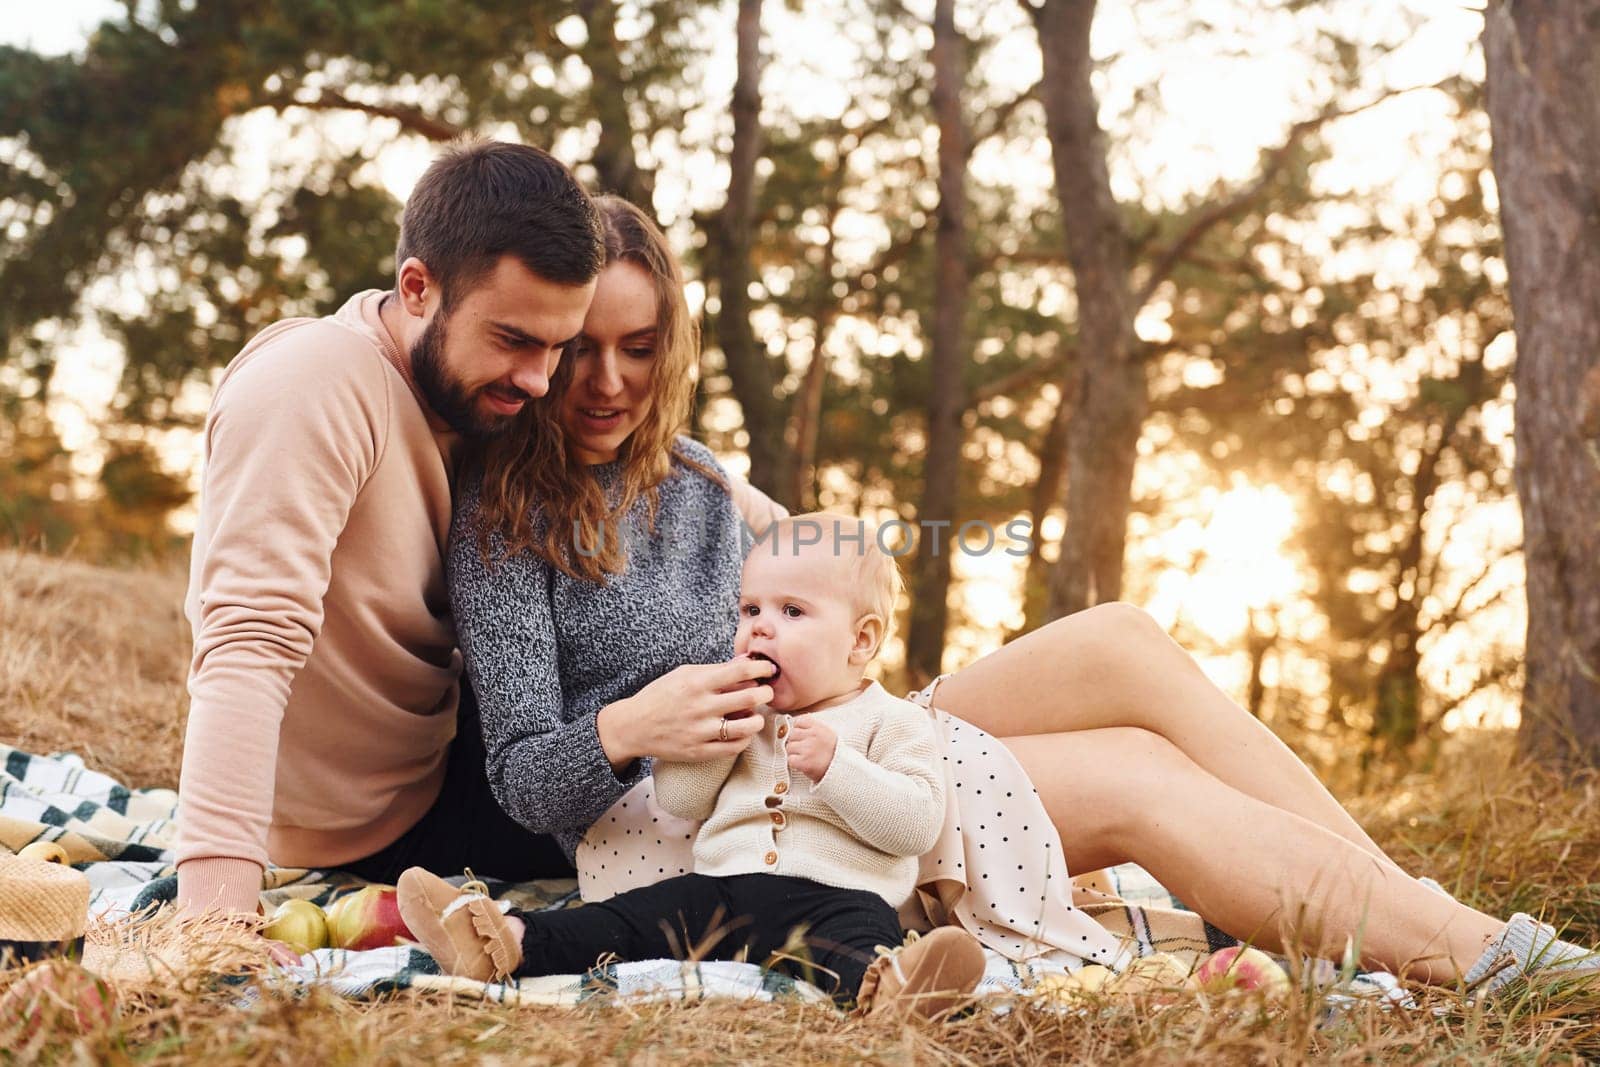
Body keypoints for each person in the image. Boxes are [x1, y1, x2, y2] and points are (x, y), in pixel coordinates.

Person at [449, 193, 1599, 998]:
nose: (606, 382)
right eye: (581, 348)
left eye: (640, 347)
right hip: (704, 816)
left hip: (837, 733)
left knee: (1122, 637)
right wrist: (635, 725)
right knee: (1135, 777)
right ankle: (1473, 951)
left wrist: (862, 687)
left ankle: (1402, 898)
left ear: (672, 344)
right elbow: (519, 774)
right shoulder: (508, 525)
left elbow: (823, 591)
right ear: (545, 342)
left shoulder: (700, 479)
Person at [174, 139, 609, 918]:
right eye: (514, 339)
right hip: (396, 824)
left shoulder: (476, 391)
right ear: (416, 288)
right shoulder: (314, 380)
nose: (541, 380)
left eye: (558, 347)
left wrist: (806, 536)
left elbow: (656, 479)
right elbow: (247, 635)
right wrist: (216, 908)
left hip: (468, 751)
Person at [397, 517, 987, 1016]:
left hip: (835, 895)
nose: (760, 625)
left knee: (859, 939)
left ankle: (894, 991)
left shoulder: (895, 723)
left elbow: (915, 824)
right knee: (629, 919)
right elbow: (681, 801)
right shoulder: (743, 715)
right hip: (723, 893)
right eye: (751, 607)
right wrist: (719, 740)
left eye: (792, 611)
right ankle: (507, 940)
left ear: (861, 642)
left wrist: (838, 768)